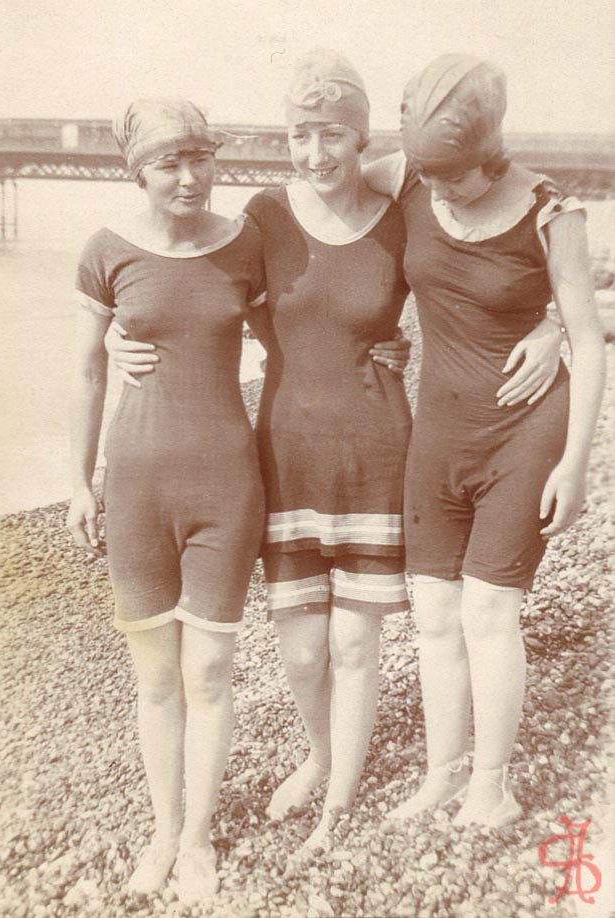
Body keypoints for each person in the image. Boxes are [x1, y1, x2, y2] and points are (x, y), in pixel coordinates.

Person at [106, 51, 567, 849]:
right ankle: (319, 758)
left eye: (332, 135)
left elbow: (496, 254)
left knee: (355, 641)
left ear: (361, 140)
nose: (315, 153)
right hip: (283, 451)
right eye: (299, 134)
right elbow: (197, 282)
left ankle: (338, 799)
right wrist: (120, 330)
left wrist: (552, 320)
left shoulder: (404, 206)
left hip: (379, 450)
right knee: (301, 645)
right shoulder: (263, 214)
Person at [364, 54, 605, 827]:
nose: (437, 192)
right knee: (433, 613)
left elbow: (590, 337)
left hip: (523, 432)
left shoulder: (549, 209)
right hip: (436, 433)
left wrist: (575, 461)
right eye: (426, 176)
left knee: (488, 614)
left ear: (489, 151)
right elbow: (313, 203)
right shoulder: (404, 176)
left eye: (453, 178)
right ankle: (442, 776)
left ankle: (489, 787)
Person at [67, 99, 267, 903]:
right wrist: (78, 481)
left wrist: (383, 346)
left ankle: (196, 837)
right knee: (155, 679)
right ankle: (160, 828)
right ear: (138, 171)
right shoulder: (105, 251)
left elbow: (300, 332)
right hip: (138, 485)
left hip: (227, 481)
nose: (188, 178)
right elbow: (85, 370)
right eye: (166, 164)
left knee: (210, 670)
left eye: (199, 159)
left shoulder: (247, 243)